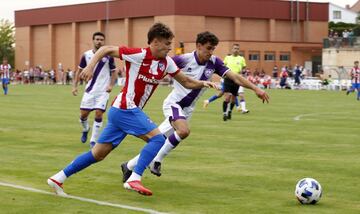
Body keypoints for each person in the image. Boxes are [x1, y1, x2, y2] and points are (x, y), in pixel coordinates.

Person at [47, 23, 218, 196]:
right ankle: (134, 178)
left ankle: (57, 178)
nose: (170, 48)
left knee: (97, 154)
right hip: (124, 107)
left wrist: (203, 83)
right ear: (156, 42)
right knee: (158, 139)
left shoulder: (167, 63)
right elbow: (106, 49)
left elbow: (187, 81)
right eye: (167, 43)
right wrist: (90, 66)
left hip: (121, 112)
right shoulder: (139, 54)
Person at [121, 32, 269, 179]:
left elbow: (235, 77)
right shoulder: (183, 59)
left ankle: (129, 166)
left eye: (213, 49)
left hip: (187, 110)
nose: (211, 52)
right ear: (198, 46)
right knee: (183, 131)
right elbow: (160, 69)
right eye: (208, 48)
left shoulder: (214, 62)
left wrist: (256, 88)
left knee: (158, 141)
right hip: (174, 104)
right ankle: (156, 161)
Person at [72, 32, 118, 148]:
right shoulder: (86, 55)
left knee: (99, 114)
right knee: (83, 115)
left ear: (104, 41)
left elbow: (114, 72)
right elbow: (79, 71)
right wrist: (75, 86)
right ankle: (86, 128)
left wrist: (111, 85)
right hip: (89, 91)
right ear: (93, 40)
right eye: (97, 39)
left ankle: (93, 140)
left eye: (101, 40)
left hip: (103, 91)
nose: (99, 41)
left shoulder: (109, 56)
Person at [222, 44, 248, 121]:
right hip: (228, 78)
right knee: (227, 97)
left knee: (233, 98)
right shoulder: (227, 58)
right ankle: (224, 114)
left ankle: (230, 111)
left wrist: (241, 73)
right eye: (234, 48)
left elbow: (243, 68)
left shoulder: (241, 59)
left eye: (237, 49)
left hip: (237, 79)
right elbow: (223, 66)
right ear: (232, 49)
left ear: (239, 50)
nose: (236, 50)